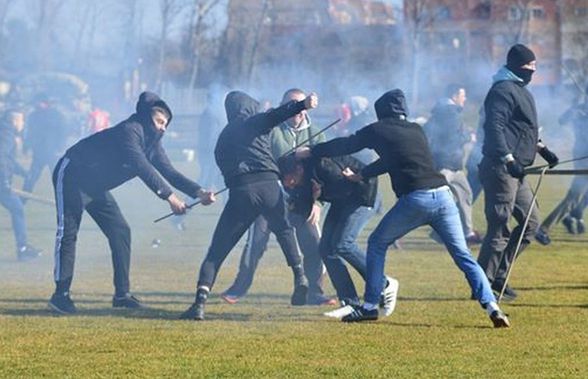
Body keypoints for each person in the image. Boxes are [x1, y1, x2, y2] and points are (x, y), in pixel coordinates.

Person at [297, 89, 510, 327]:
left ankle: (369, 306)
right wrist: (362, 174)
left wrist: (313, 150)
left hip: (416, 199)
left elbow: (347, 145)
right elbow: (393, 160)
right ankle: (493, 306)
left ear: (382, 112)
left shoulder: (378, 129)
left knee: (377, 243)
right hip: (443, 196)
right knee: (463, 256)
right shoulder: (415, 130)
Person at [48, 92, 216, 315]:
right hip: (72, 174)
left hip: (95, 186)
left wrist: (198, 192)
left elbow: (170, 172)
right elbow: (141, 167)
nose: (163, 128)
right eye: (159, 122)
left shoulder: (152, 143)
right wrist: (170, 197)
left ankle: (122, 295)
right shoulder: (130, 131)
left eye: (166, 124)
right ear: (146, 118)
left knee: (121, 231)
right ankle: (60, 296)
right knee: (67, 233)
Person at [179, 90, 318, 321]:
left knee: (217, 250)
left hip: (241, 191)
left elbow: (224, 167)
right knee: (284, 230)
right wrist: (302, 104)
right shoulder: (252, 121)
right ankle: (300, 276)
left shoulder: (223, 138)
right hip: (269, 186)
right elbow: (274, 116)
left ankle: (199, 303)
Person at [220, 88, 331, 306]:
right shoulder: (269, 129)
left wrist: (318, 203)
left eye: (300, 106)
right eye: (291, 105)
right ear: (283, 107)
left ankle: (315, 292)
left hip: (302, 199)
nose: (297, 111)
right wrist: (292, 156)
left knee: (313, 243)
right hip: (269, 195)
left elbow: (322, 171)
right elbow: (263, 157)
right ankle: (238, 289)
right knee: (256, 242)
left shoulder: (317, 133)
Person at [477, 44, 559, 301]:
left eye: (534, 67)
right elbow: (495, 128)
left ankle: (499, 276)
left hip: (517, 171)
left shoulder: (520, 90)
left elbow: (523, 130)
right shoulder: (502, 91)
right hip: (501, 169)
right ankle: (484, 284)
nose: (532, 72)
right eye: (528, 68)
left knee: (530, 225)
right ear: (516, 67)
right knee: (499, 226)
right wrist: (508, 158)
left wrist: (543, 150)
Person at [278, 154, 397, 318]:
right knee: (326, 249)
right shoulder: (296, 181)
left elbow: (344, 185)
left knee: (343, 244)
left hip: (363, 195)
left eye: (288, 177)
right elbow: (302, 204)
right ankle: (350, 303)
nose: (287, 183)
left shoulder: (323, 166)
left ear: (298, 169)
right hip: (342, 201)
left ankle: (384, 283)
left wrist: (317, 197)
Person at [425, 84, 482, 245]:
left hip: (452, 164)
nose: (465, 98)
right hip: (445, 164)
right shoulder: (450, 113)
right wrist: (467, 137)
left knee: (465, 195)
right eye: (463, 95)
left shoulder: (440, 111)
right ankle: (396, 230)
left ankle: (467, 232)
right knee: (426, 201)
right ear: (455, 95)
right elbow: (450, 140)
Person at [535, 89, 588, 244]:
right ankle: (544, 229)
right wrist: (576, 109)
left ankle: (574, 216)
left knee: (578, 196)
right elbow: (562, 120)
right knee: (573, 197)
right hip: (584, 158)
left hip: (580, 156)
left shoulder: (578, 110)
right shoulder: (579, 111)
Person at [0, 110, 42, 261]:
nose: (23, 124)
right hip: (1, 183)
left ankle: (23, 247)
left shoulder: (4, 132)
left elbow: (9, 160)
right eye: (22, 121)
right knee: (17, 209)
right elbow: (1, 157)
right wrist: (4, 181)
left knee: (17, 209)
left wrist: (23, 173)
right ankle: (23, 248)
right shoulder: (6, 134)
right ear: (14, 121)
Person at [23, 94, 68, 194]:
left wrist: (60, 147)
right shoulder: (33, 115)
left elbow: (63, 132)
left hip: (52, 152)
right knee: (31, 176)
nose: (36, 104)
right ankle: (23, 199)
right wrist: (26, 146)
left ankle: (65, 197)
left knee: (58, 177)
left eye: (38, 102)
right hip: (38, 152)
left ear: (45, 103)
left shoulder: (57, 115)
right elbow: (30, 132)